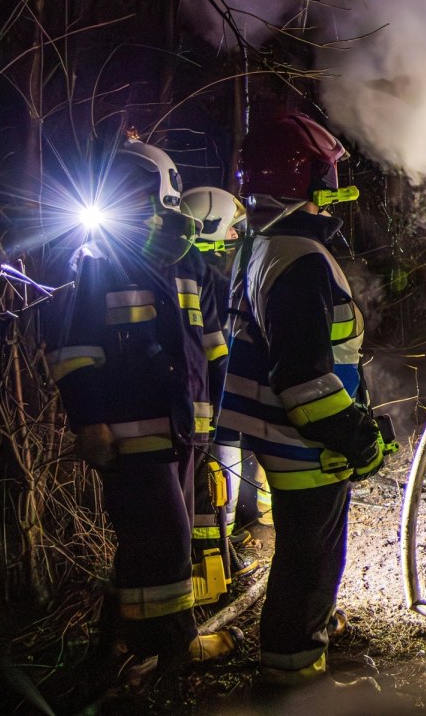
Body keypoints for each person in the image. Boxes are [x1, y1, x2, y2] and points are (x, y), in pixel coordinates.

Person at [46, 138, 242, 676]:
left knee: (150, 541)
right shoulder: (94, 264)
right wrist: (90, 423)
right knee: (163, 541)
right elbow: (72, 355)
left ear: (163, 195)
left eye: (135, 190)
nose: (126, 201)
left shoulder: (193, 267)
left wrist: (212, 422)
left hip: (183, 430)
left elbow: (216, 352)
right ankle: (173, 649)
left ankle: (121, 644)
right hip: (128, 435)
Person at [216, 111, 386, 684]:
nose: (330, 195)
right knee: (309, 557)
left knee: (301, 547)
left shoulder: (260, 247)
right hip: (303, 440)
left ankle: (309, 631)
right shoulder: (301, 259)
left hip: (272, 433)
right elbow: (304, 379)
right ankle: (293, 674)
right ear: (304, 180)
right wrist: (354, 436)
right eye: (324, 180)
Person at [178, 187, 258, 586]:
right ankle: (219, 567)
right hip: (208, 401)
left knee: (215, 486)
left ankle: (222, 559)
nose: (237, 236)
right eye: (232, 229)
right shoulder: (206, 271)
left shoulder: (189, 266)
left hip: (199, 400)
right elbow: (215, 348)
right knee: (214, 488)